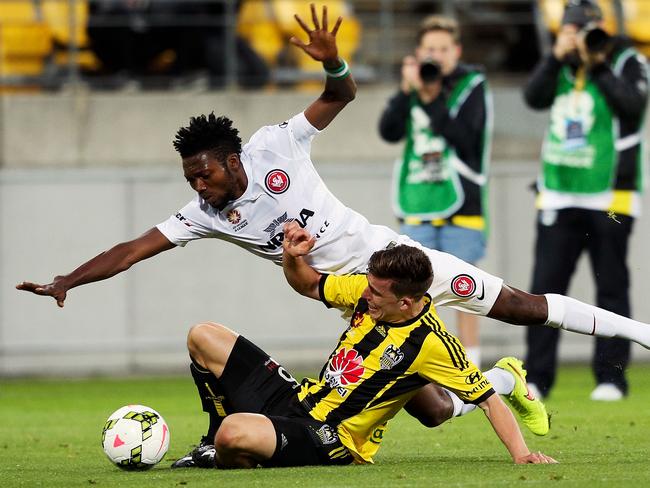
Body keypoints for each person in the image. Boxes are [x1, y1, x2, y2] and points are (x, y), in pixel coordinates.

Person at [15, 0, 650, 457]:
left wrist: (336, 62)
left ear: (233, 161)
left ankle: (641, 334)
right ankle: (507, 381)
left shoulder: (273, 147)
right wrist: (69, 279)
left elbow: (339, 98)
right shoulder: (205, 216)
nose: (196, 187)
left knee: (518, 304)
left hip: (395, 269)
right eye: (189, 178)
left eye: (203, 174)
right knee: (430, 411)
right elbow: (134, 248)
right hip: (349, 302)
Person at [181, 231, 556, 467]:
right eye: (368, 285)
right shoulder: (367, 292)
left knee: (235, 432)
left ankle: (224, 451)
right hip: (300, 398)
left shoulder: (432, 343)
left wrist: (522, 455)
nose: (364, 294)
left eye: (376, 292)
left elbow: (488, 401)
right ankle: (211, 442)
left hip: (331, 436)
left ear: (407, 303)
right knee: (204, 335)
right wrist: (292, 257)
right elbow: (309, 284)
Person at [522, 0, 648, 401]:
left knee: (611, 286)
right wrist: (553, 58)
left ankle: (611, 378)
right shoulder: (559, 62)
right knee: (544, 289)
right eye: (573, 31)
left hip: (611, 198)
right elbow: (533, 98)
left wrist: (598, 64)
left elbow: (633, 105)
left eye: (588, 31)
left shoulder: (628, 60)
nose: (581, 38)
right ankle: (536, 379)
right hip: (558, 194)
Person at [379, 15, 491, 367]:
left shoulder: (472, 86)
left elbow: (465, 137)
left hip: (462, 204)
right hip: (418, 203)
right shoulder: (414, 85)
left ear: (456, 51)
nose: (437, 56)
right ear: (419, 52)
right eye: (430, 49)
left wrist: (429, 98)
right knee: (413, 291)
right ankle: (425, 366)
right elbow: (388, 131)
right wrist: (405, 91)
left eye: (444, 49)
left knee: (464, 289)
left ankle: (470, 365)